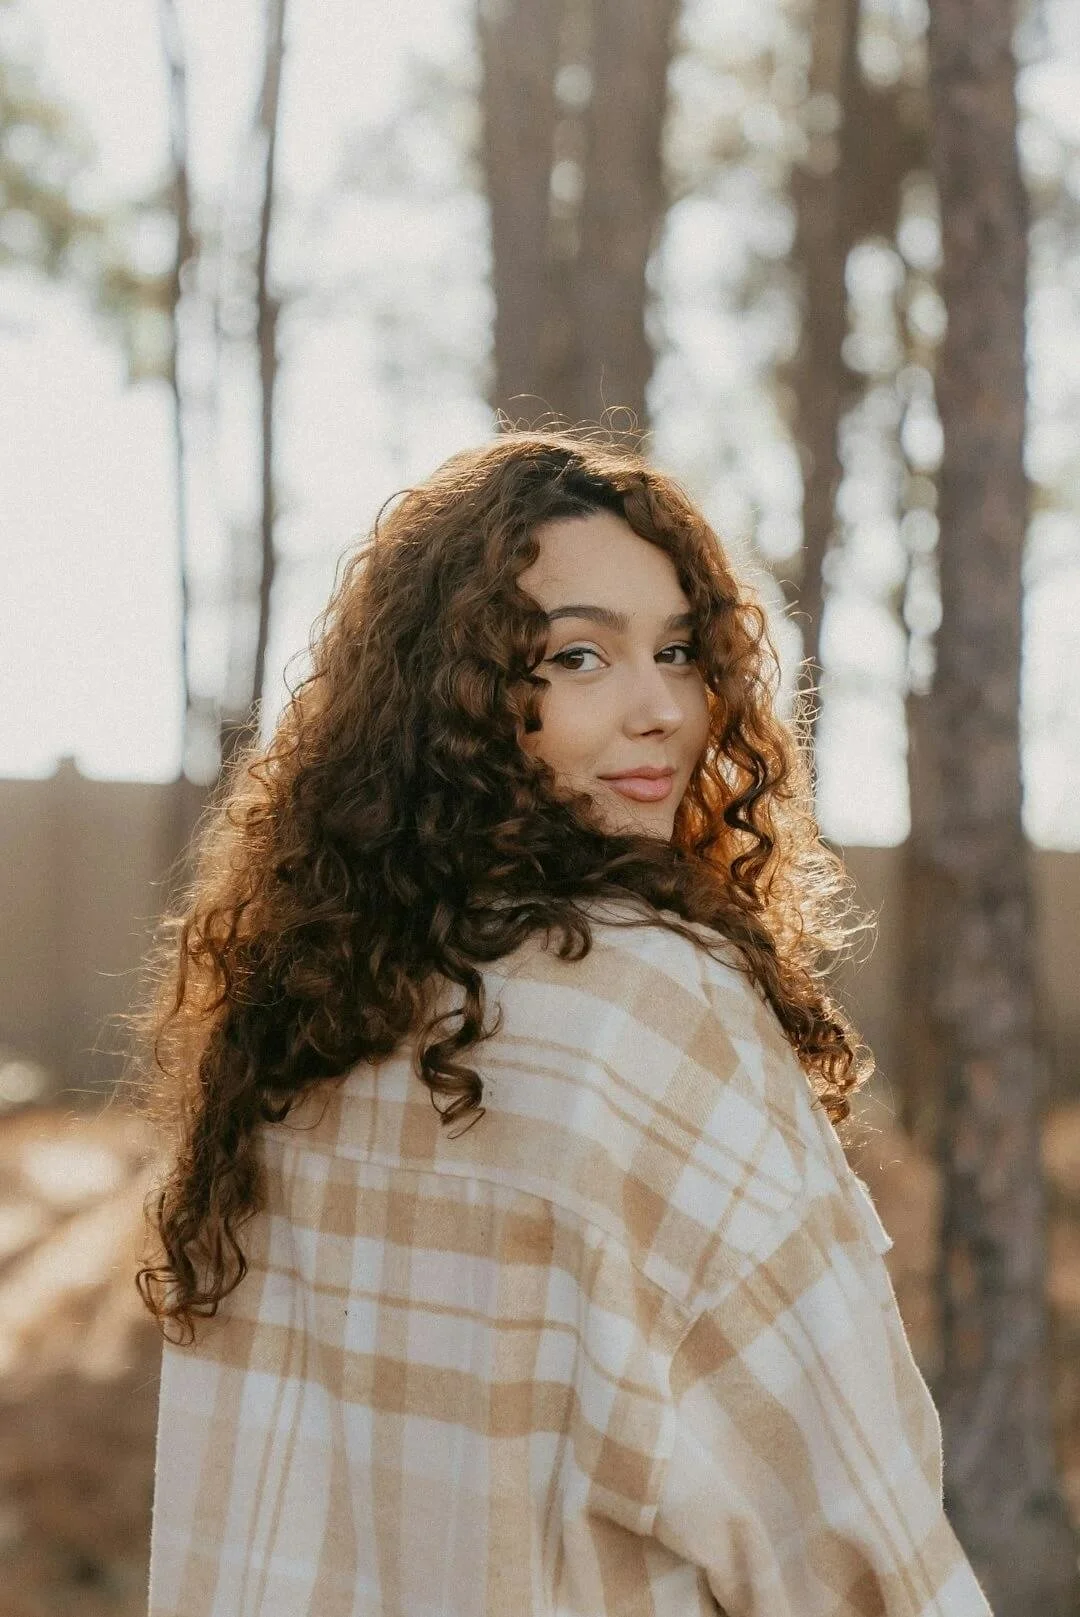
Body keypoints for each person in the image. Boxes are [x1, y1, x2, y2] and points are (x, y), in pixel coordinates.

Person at [131, 430, 993, 1615]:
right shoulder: (651, 997)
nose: (662, 710)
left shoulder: (305, 1006)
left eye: (680, 650)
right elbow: (840, 1514)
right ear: (461, 693)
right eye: (579, 656)